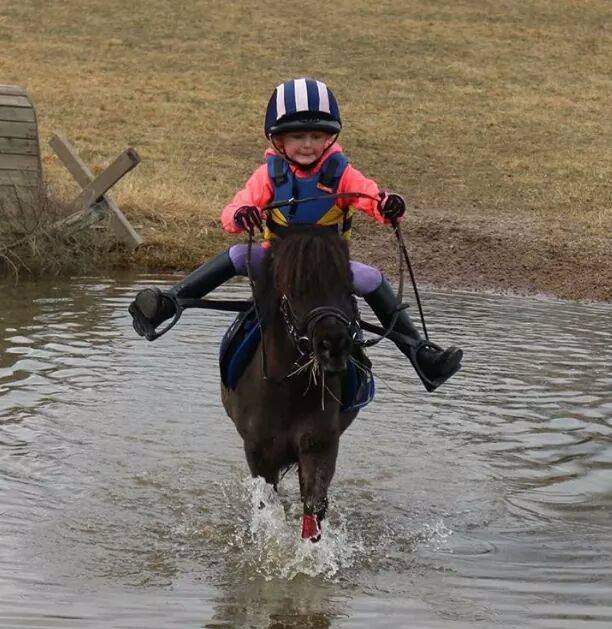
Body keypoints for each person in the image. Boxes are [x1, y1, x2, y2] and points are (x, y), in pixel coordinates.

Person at [129, 78, 462, 391]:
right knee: (235, 255)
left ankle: (420, 354)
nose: (307, 145)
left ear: (329, 138)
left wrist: (389, 205)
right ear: (279, 140)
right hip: (278, 263)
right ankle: (168, 303)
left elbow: (373, 197)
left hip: (328, 269)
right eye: (298, 136)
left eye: (317, 136)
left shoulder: (342, 173)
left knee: (371, 278)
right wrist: (242, 215)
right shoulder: (267, 175)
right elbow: (232, 212)